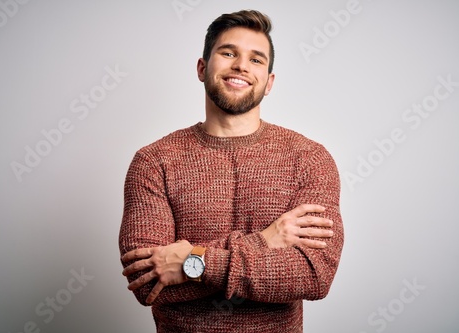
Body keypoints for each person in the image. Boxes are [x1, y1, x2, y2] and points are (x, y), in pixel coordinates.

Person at [119, 9, 343, 333]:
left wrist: (190, 262)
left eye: (256, 59)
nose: (241, 66)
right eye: (228, 53)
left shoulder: (309, 159)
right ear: (201, 68)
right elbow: (148, 280)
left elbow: (313, 274)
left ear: (269, 82)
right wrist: (265, 241)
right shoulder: (154, 161)